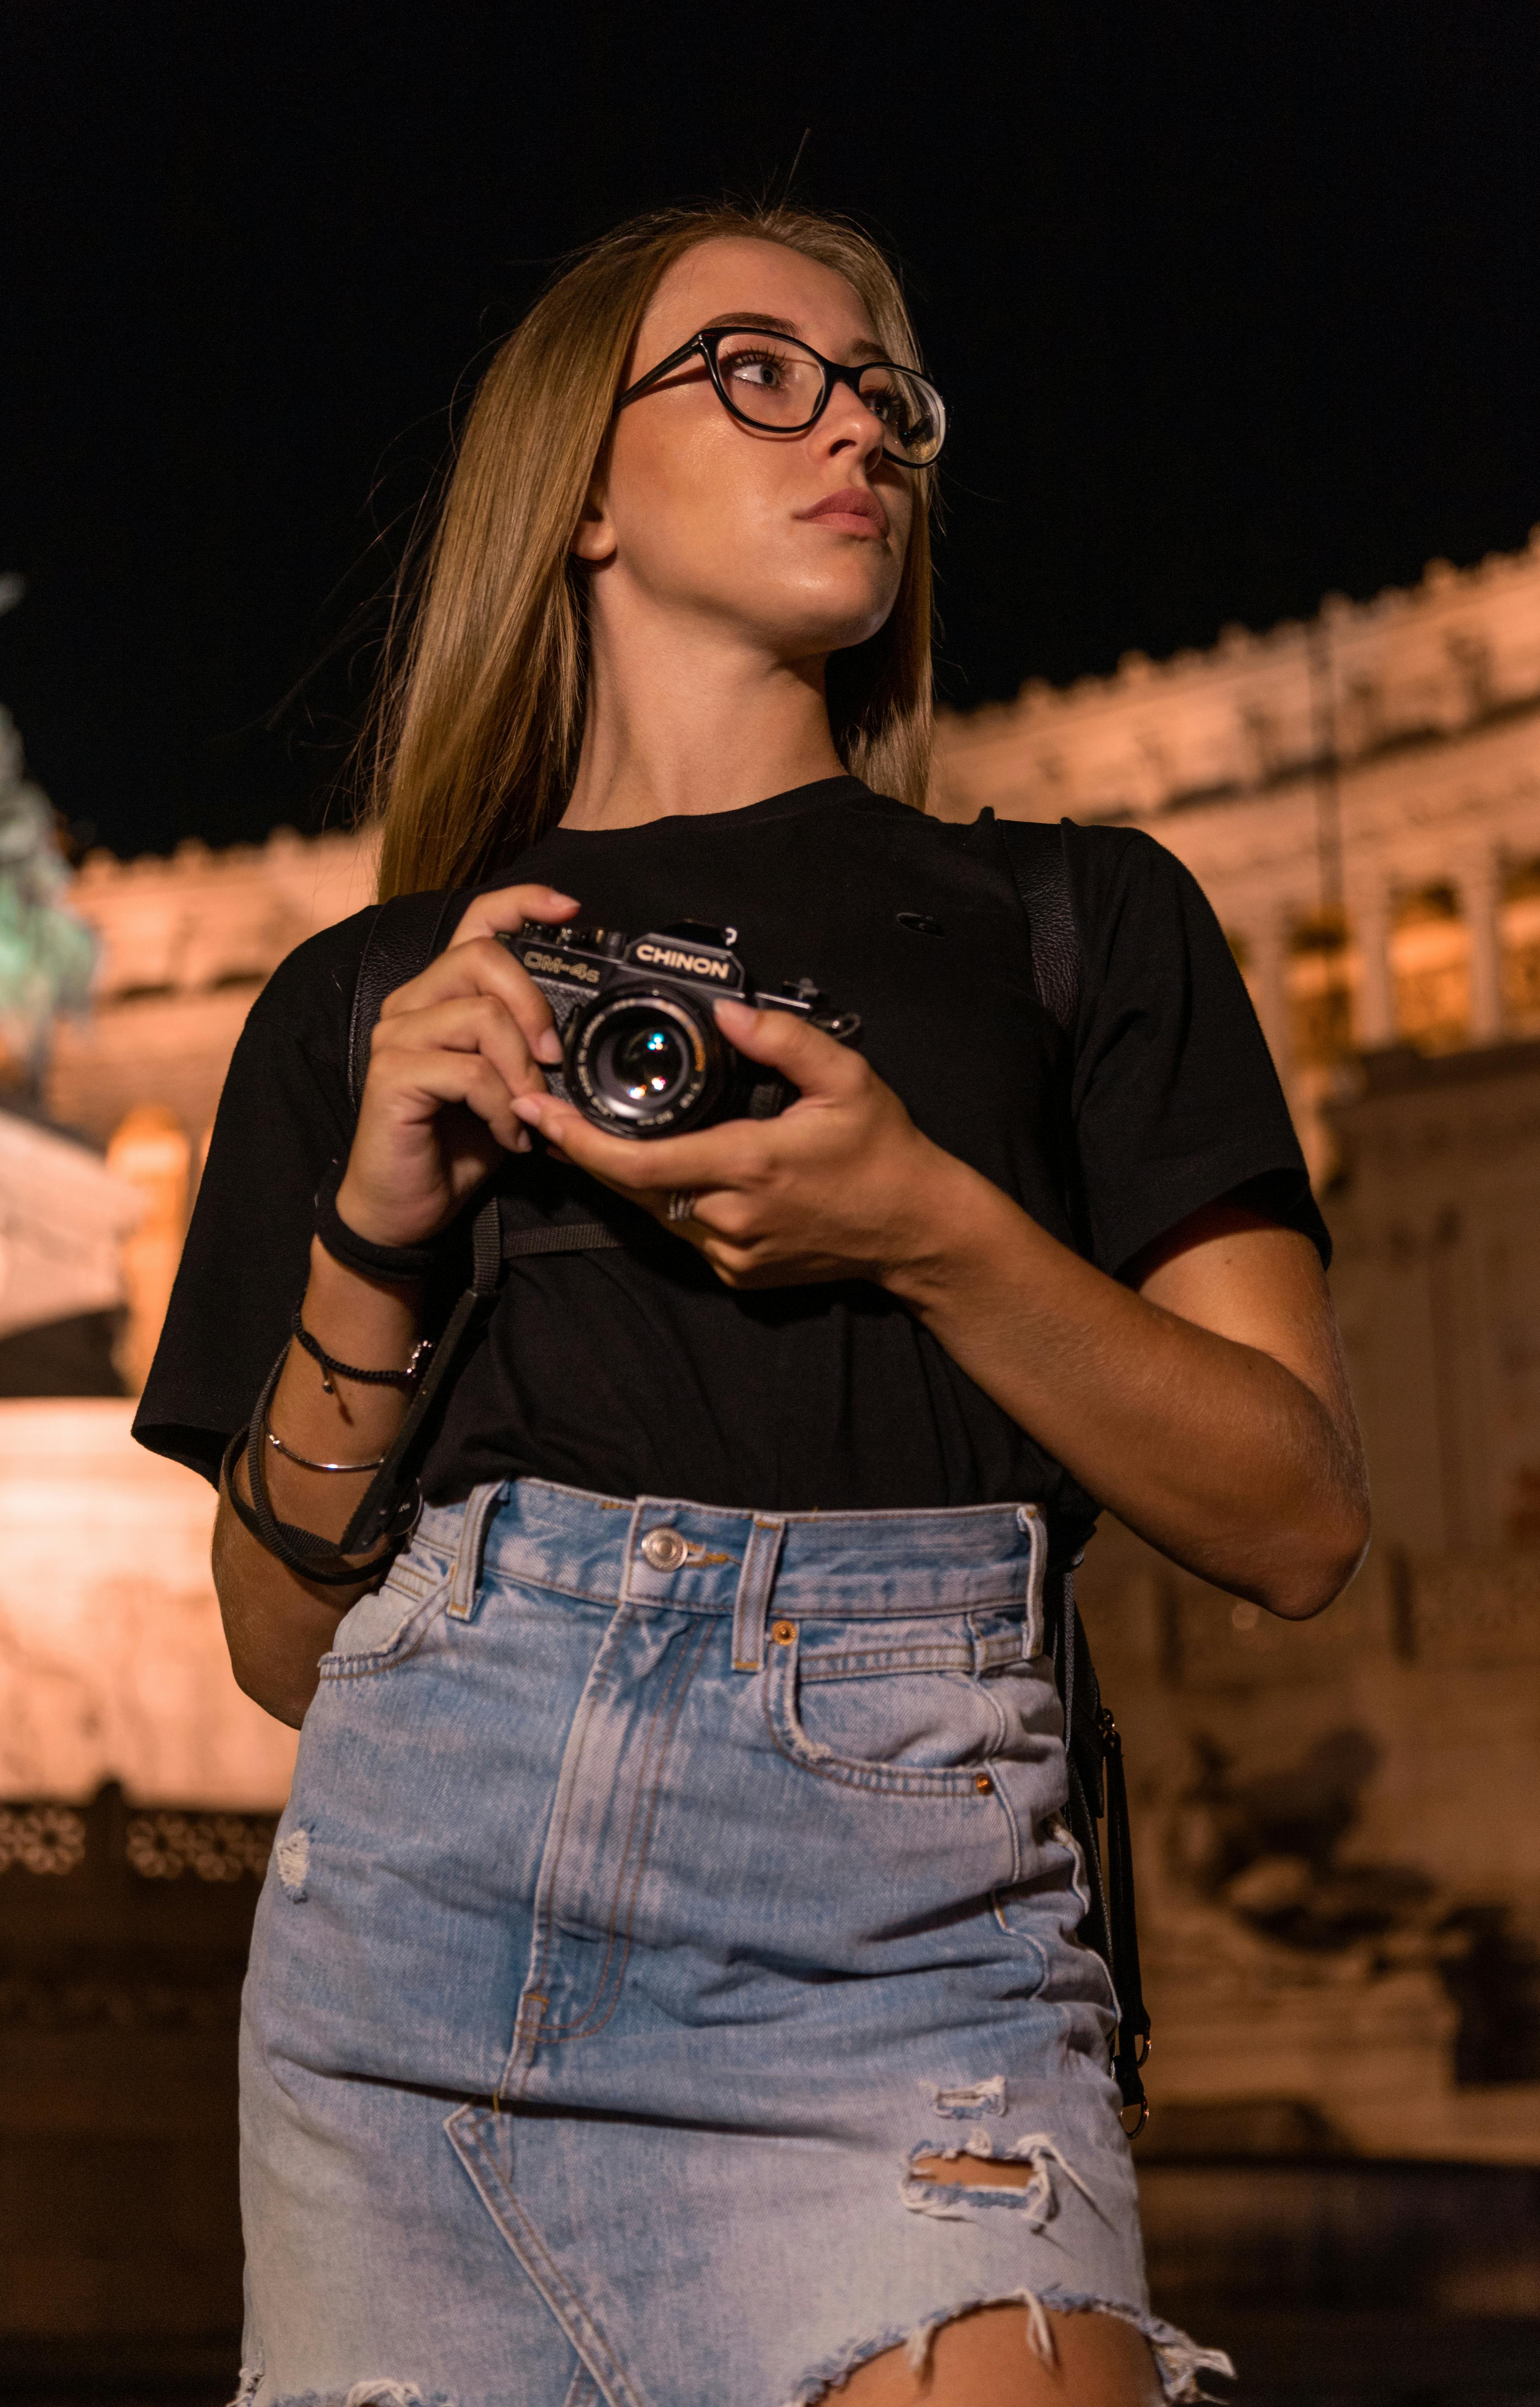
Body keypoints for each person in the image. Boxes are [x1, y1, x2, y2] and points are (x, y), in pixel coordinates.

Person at [138, 201, 1369, 2407]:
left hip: (913, 1949)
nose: (860, 432)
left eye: (889, 394)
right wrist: (374, 1231)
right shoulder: (373, 997)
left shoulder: (1081, 921)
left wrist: (923, 1223)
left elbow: (1295, 1515)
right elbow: (283, 1650)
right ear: (582, 491)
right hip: (422, 1950)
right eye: (763, 373)